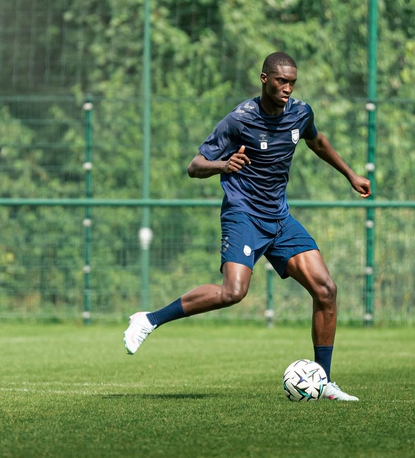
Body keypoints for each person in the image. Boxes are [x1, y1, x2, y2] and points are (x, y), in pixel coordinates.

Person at [123, 52, 371, 400]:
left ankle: (322, 380)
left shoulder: (301, 113)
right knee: (233, 292)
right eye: (281, 81)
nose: (288, 88)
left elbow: (316, 140)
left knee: (326, 290)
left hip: (279, 218)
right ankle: (149, 320)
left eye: (292, 82)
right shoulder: (239, 120)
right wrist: (224, 165)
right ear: (264, 79)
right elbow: (195, 166)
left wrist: (350, 175)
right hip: (243, 214)